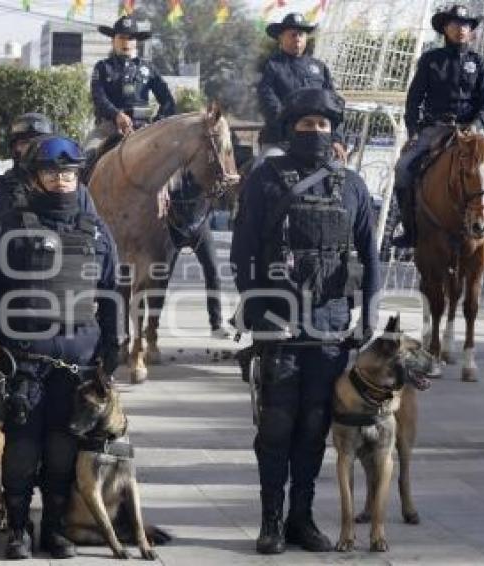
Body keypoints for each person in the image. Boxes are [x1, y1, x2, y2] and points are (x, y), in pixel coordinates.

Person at [230, 88, 379, 555]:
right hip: (278, 326)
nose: (315, 131)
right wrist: (256, 307)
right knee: (275, 427)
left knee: (315, 427)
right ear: (291, 125)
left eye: (322, 124)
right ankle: (271, 520)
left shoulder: (352, 185)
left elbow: (370, 257)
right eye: (306, 123)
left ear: (333, 128)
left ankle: (302, 517)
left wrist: (368, 314)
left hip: (331, 328)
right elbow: (243, 250)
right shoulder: (265, 178)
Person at [0, 135, 120, 559]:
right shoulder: (10, 226)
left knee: (61, 449)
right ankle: (18, 529)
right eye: (52, 173)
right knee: (21, 449)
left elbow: (111, 291)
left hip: (78, 360)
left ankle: (54, 529)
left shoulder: (95, 230)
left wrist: (115, 346)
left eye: (69, 173)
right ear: (36, 178)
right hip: (24, 358)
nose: (61, 180)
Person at [0, 113, 100, 325]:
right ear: (13, 148)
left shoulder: (78, 193)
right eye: (25, 142)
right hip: (5, 305)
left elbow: (96, 243)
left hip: (68, 303)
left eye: (41, 142)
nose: (32, 147)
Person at [392, 4, 484, 247]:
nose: (461, 29)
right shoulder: (430, 60)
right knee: (403, 168)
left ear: (471, 30)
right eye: (456, 24)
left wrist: (476, 124)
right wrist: (413, 132)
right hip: (437, 128)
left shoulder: (479, 63)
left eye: (466, 25)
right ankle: (409, 228)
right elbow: (414, 99)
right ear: (445, 28)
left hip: (474, 131)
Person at [256, 12, 346, 170]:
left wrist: (337, 139)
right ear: (281, 38)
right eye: (292, 34)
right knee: (261, 171)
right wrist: (293, 128)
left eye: (301, 34)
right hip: (281, 141)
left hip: (319, 142)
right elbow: (268, 102)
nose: (297, 38)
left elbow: (333, 107)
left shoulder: (320, 68)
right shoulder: (271, 66)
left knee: (347, 176)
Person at [83, 15, 176, 155]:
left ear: (136, 42)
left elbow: (168, 101)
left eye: (130, 38)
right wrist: (117, 114)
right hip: (109, 128)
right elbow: (99, 97)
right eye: (121, 37)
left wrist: (157, 123)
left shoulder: (149, 68)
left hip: (145, 128)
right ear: (113, 41)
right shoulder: (102, 67)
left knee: (175, 158)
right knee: (87, 154)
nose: (126, 42)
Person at [160, 170, 230, 338]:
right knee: (162, 276)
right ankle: (152, 325)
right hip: (174, 225)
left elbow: (218, 184)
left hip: (199, 224)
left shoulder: (202, 164)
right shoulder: (170, 164)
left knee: (213, 271)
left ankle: (216, 324)